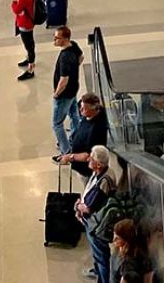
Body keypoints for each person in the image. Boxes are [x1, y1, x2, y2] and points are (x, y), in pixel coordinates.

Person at [75, 145, 114, 283]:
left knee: (101, 257)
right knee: (98, 255)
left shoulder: (104, 181)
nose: (88, 160)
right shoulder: (99, 173)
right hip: (92, 223)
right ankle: (98, 272)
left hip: (96, 226)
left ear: (98, 164)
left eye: (91, 158)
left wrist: (79, 206)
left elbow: (90, 208)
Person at [51, 26, 83, 160]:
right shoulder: (73, 45)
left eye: (57, 38)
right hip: (73, 89)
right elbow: (81, 57)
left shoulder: (65, 57)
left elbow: (64, 80)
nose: (54, 40)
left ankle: (66, 152)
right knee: (74, 115)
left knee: (57, 123)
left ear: (64, 39)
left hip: (64, 94)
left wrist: (56, 93)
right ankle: (76, 140)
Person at [63, 93, 109, 178]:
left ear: (94, 110)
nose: (80, 110)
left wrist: (70, 157)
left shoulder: (96, 129)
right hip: (79, 165)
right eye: (81, 106)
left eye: (84, 109)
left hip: (87, 170)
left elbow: (88, 155)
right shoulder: (89, 114)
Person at [111, 218, 155, 283]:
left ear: (126, 240)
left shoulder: (128, 264)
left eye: (118, 238)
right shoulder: (117, 250)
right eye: (114, 235)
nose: (113, 240)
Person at [11, 0, 37, 80]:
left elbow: (17, 9)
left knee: (29, 45)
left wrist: (13, 3)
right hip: (26, 22)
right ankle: (28, 58)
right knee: (29, 44)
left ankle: (31, 69)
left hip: (25, 24)